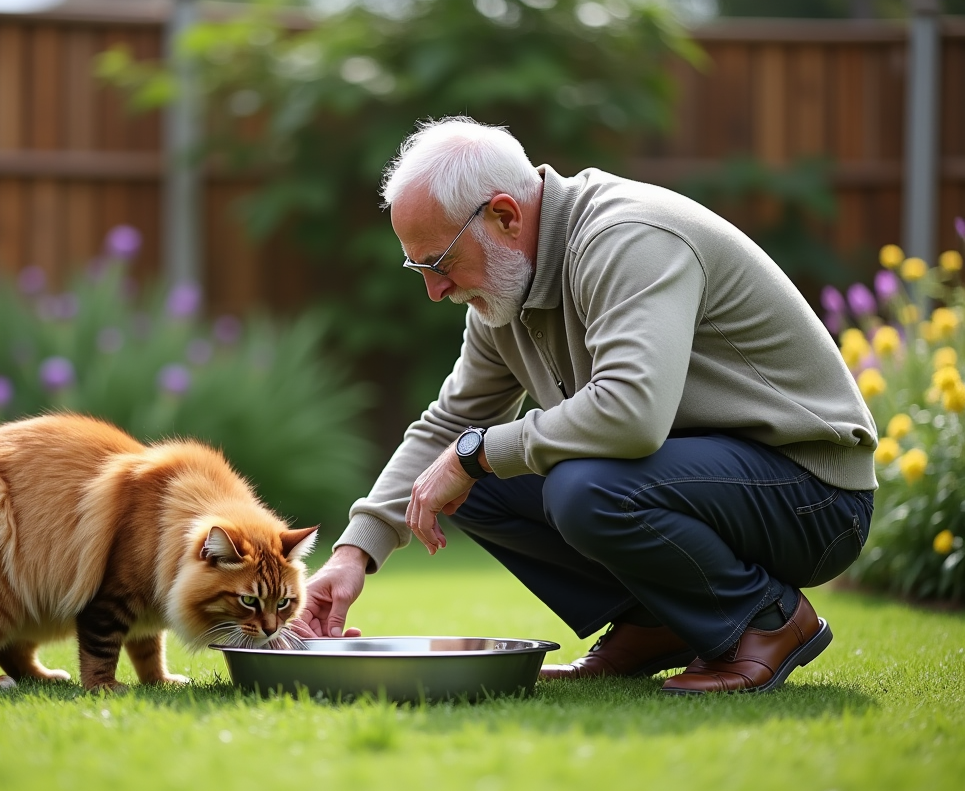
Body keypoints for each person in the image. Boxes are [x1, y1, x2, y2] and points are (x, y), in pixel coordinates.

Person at [291, 117, 877, 694]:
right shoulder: (503, 292)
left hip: (814, 496)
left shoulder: (627, 238)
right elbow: (451, 424)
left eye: (439, 263)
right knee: (455, 481)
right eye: (418, 267)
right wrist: (353, 552)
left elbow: (630, 414)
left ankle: (766, 619)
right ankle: (656, 621)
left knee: (578, 486)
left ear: (504, 215)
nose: (434, 289)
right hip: (706, 482)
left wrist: (476, 452)